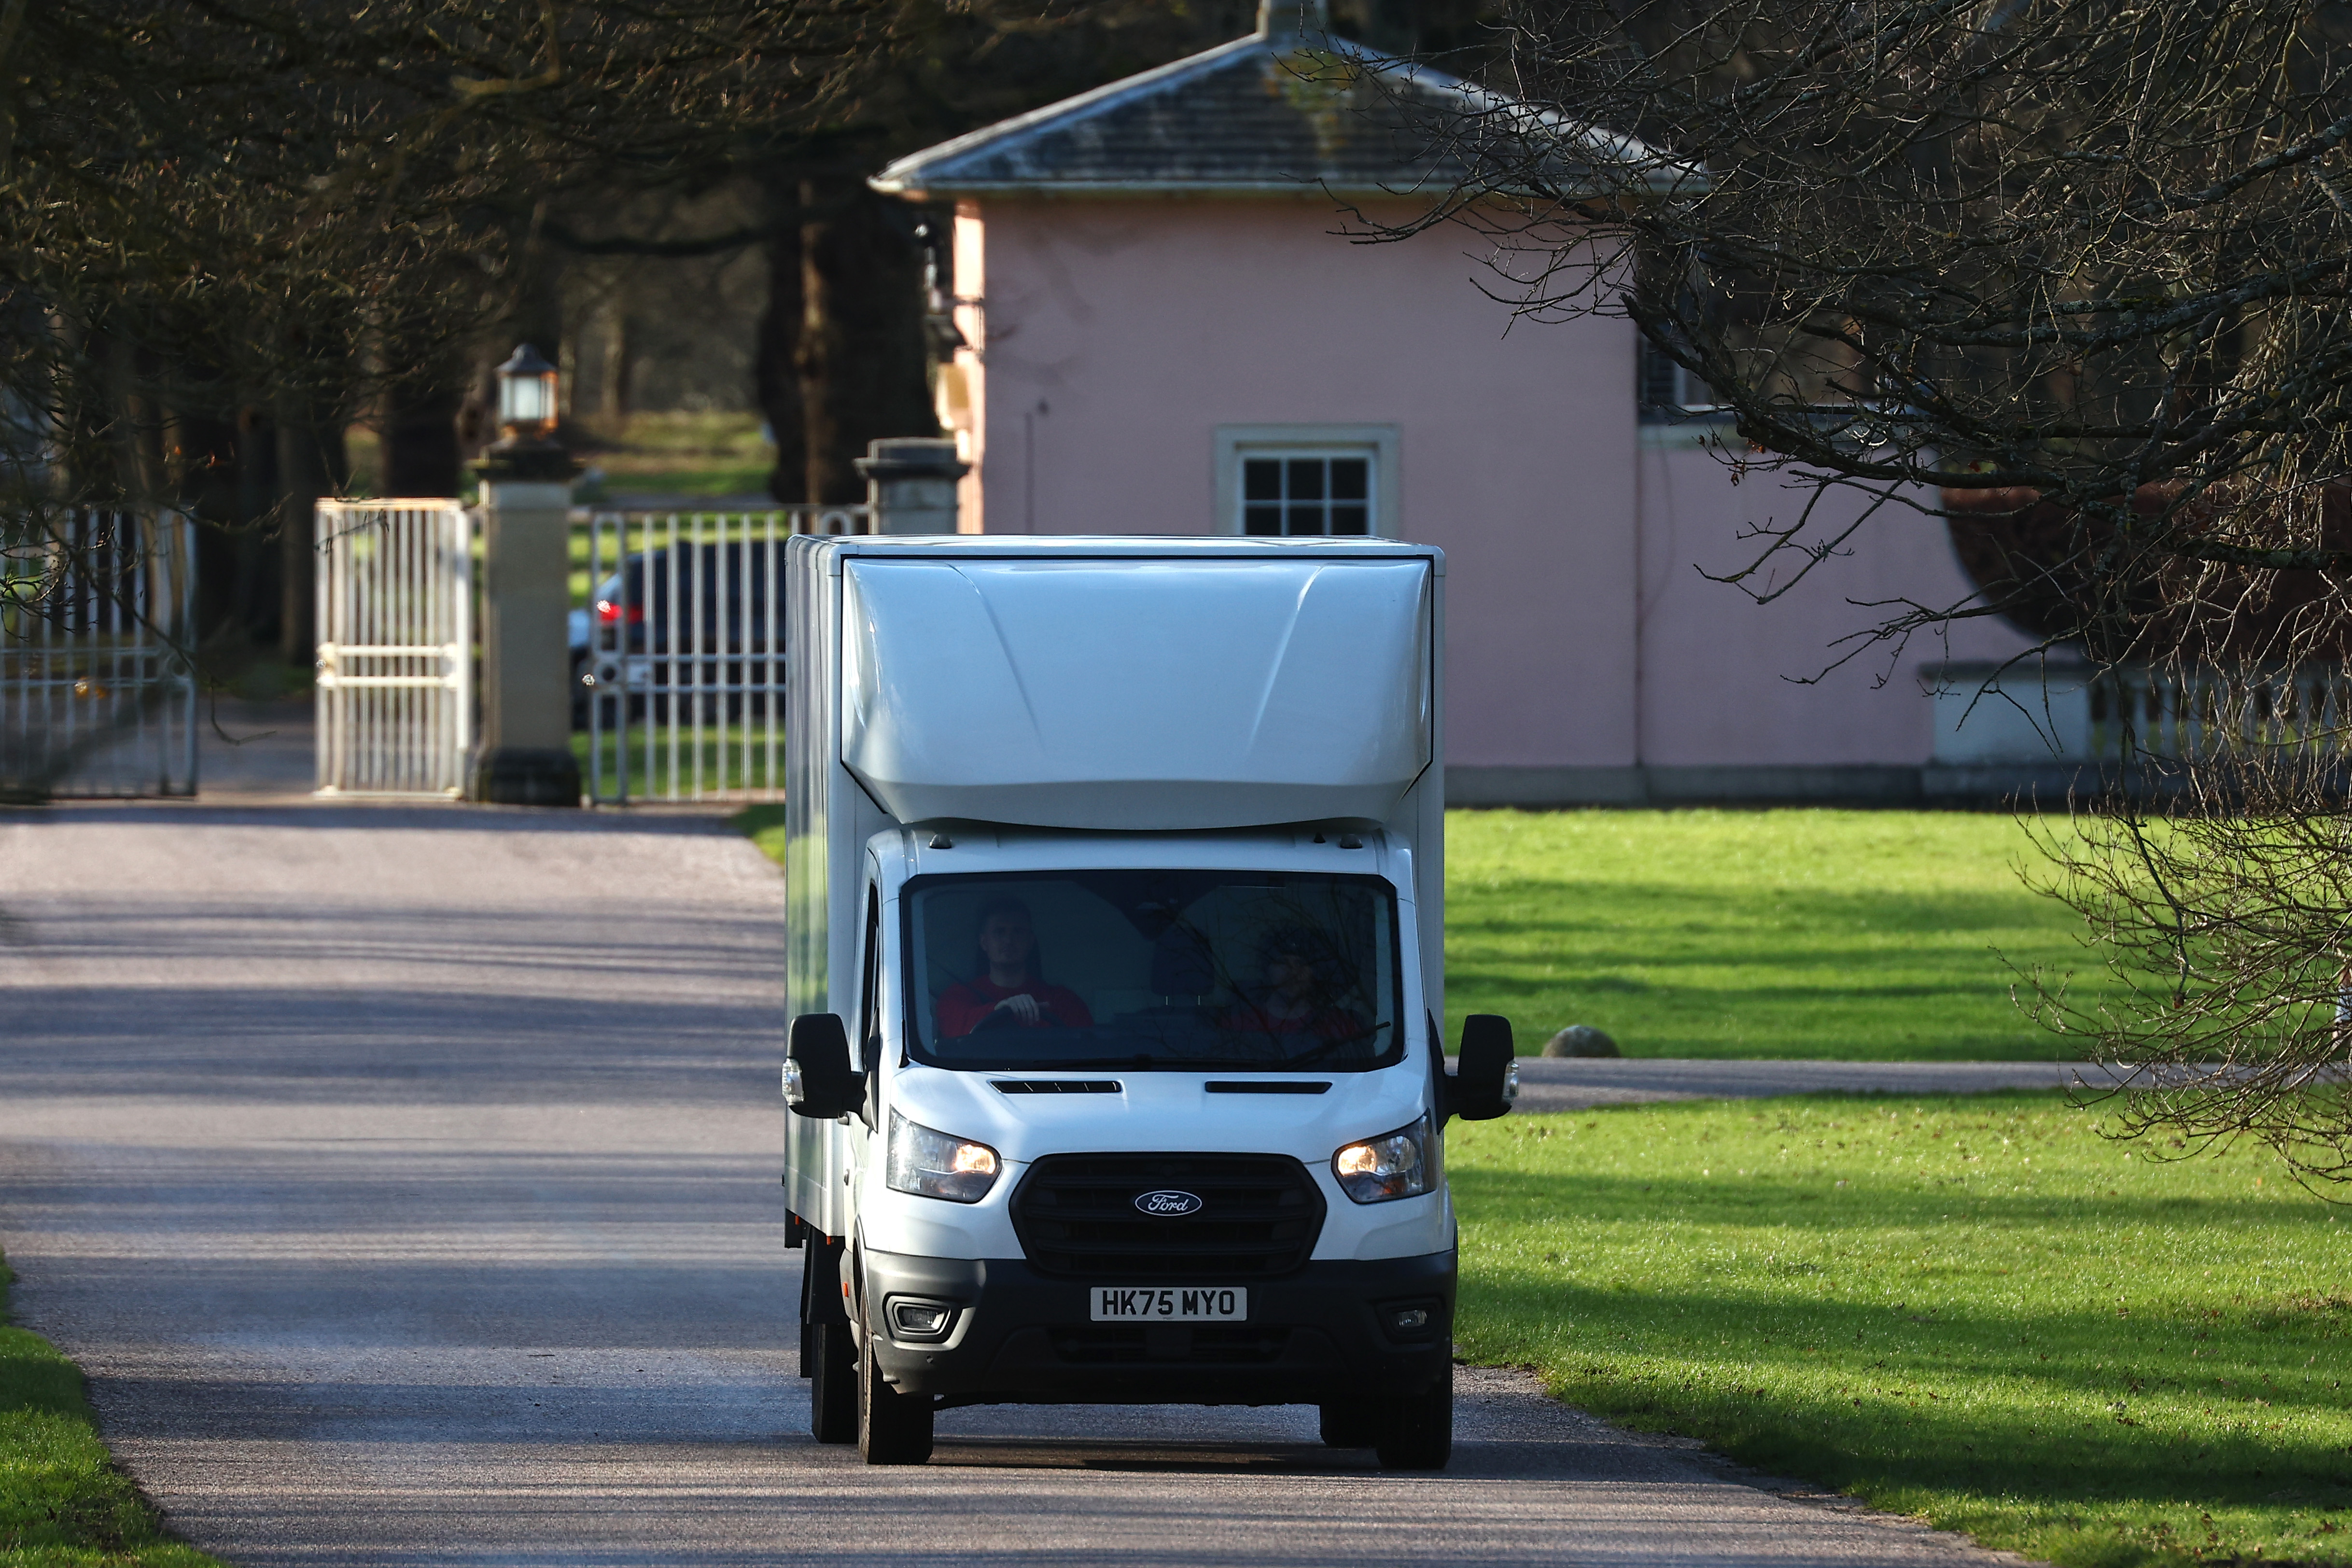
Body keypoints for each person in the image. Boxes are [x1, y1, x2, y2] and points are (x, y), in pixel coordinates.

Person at [936, 898, 1095, 1037]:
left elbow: (1087, 1046)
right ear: (984, 942)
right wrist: (999, 1009)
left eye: (1018, 932)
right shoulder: (958, 996)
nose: (1009, 940)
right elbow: (953, 1032)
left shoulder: (1062, 1001)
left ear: (1030, 941)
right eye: (1000, 932)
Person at [1218, 927, 1368, 1042]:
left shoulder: (1343, 1027)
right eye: (1282, 963)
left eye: (1301, 963)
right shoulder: (1236, 1026)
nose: (1293, 971)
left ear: (1314, 972)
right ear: (1267, 971)